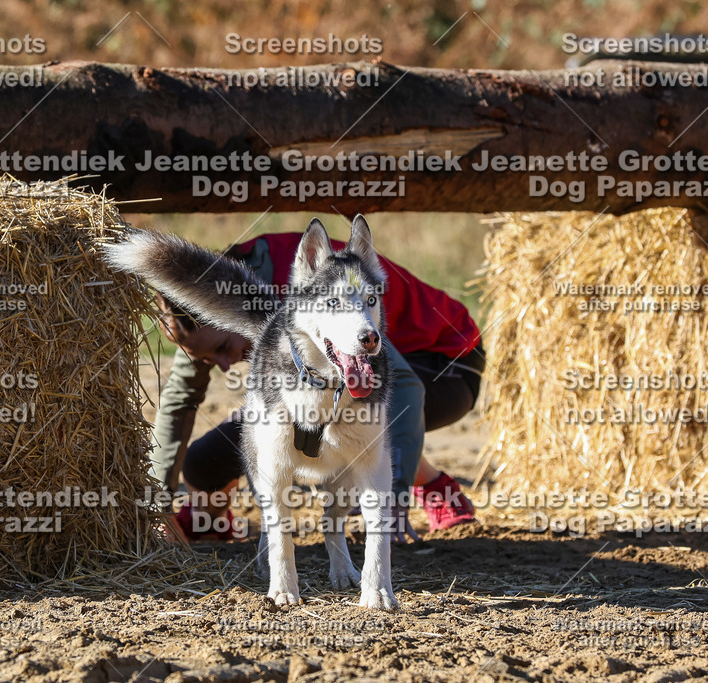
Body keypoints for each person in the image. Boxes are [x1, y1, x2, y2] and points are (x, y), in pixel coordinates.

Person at [149, 231, 485, 541]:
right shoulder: (204, 314)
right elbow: (179, 401)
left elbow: (407, 387)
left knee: (336, 421)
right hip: (350, 379)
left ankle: (434, 487)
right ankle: (208, 519)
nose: (224, 366)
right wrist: (158, 508)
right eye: (206, 360)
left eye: (223, 349)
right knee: (206, 459)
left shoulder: (302, 289)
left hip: (446, 365)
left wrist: (391, 501)